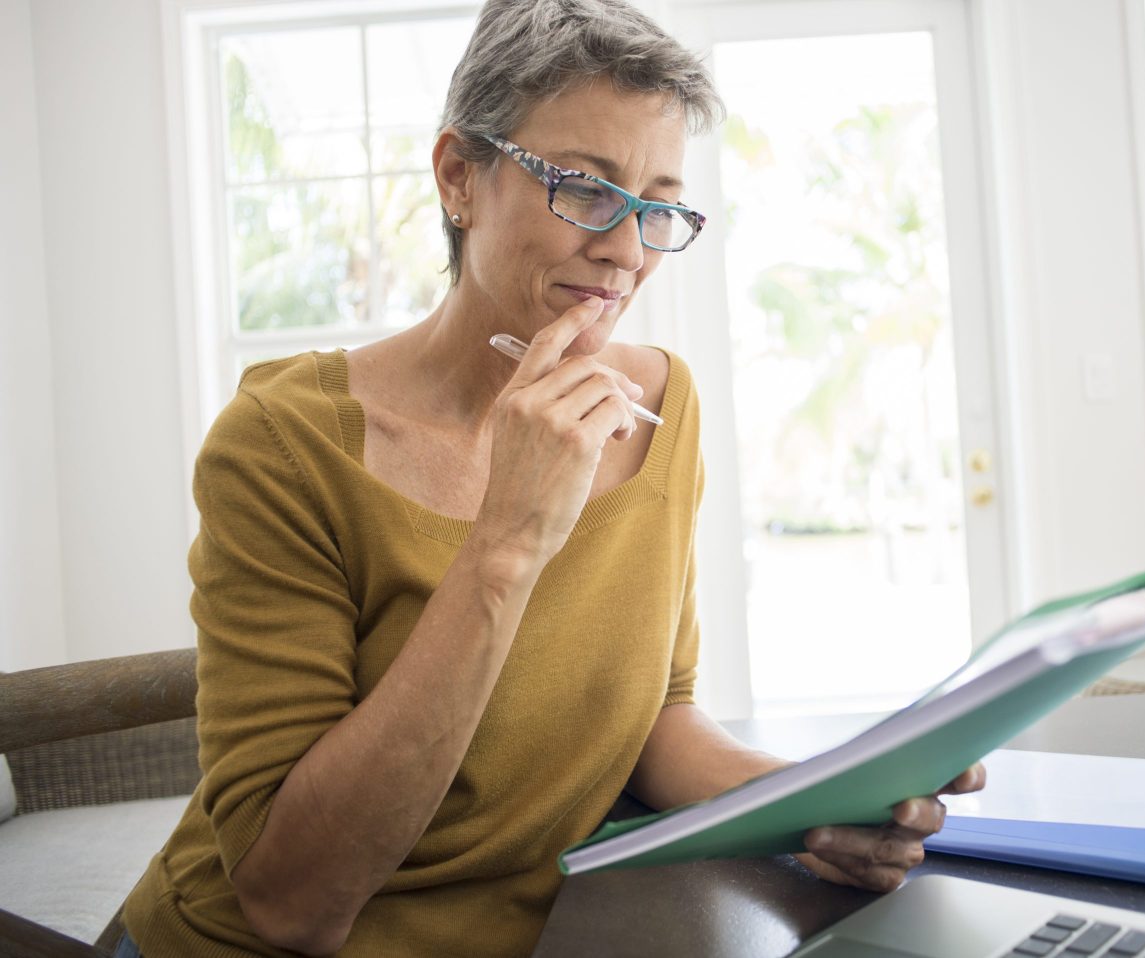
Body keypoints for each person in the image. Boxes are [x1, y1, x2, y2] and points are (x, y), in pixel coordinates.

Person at [119, 1, 984, 955]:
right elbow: (294, 904)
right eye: (586, 191)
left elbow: (655, 716)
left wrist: (816, 806)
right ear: (459, 177)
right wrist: (507, 541)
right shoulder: (283, 447)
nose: (626, 250)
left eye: (659, 206)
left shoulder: (662, 408)